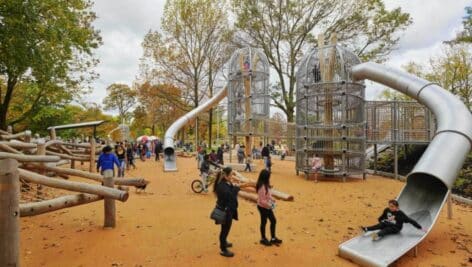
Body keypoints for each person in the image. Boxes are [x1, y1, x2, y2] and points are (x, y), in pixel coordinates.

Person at [214, 167, 251, 257]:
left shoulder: (225, 183)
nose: (232, 176)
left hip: (228, 210)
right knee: (224, 230)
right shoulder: (221, 186)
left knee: (225, 229)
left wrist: (237, 186)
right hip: (225, 212)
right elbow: (230, 195)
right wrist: (236, 188)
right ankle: (223, 249)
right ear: (226, 176)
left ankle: (224, 242)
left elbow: (232, 189)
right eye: (231, 175)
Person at [361, 199, 427, 241]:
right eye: (389, 206)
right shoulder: (387, 210)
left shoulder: (400, 213)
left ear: (397, 207)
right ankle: (366, 229)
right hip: (388, 223)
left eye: (392, 206)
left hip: (396, 227)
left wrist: (421, 228)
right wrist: (381, 221)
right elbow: (382, 216)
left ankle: (377, 235)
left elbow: (411, 221)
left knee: (386, 230)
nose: (390, 208)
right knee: (380, 225)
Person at [256, 169, 282, 246]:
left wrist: (272, 199)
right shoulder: (261, 187)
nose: (269, 178)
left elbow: (268, 195)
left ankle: (273, 238)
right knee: (264, 222)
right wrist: (270, 205)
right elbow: (261, 201)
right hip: (262, 207)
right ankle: (263, 238)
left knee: (273, 221)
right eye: (268, 177)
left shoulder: (266, 184)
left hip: (267, 206)